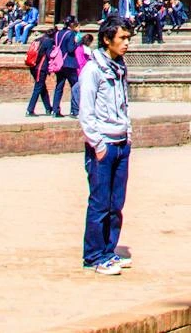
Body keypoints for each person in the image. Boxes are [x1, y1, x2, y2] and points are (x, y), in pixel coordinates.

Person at [78, 17, 134, 274]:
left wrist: (128, 134)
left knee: (115, 204)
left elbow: (124, 104)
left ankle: (108, 251)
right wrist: (98, 143)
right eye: (122, 38)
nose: (127, 43)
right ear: (107, 39)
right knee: (100, 203)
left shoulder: (119, 67)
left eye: (128, 38)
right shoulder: (93, 70)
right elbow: (86, 112)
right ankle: (93, 256)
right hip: (103, 145)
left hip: (121, 143)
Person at [26, 25, 59, 116]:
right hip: (40, 68)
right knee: (38, 88)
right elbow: (49, 55)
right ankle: (30, 110)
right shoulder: (49, 42)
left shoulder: (37, 40)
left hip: (33, 66)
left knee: (42, 88)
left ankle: (48, 108)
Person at [54, 18, 82, 116]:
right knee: (75, 87)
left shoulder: (57, 33)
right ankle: (74, 110)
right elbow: (70, 49)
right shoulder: (71, 34)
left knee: (59, 87)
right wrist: (78, 43)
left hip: (59, 62)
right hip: (69, 63)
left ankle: (55, 110)